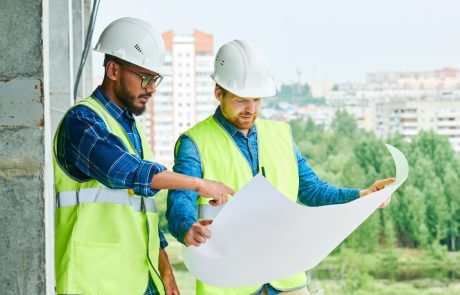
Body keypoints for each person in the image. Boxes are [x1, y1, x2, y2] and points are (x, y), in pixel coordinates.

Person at [166, 40, 394, 295]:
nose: (251, 109)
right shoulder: (194, 143)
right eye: (242, 99)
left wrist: (362, 196)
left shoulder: (281, 135)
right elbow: (180, 202)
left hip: (286, 281)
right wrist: (187, 227)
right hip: (230, 282)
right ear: (219, 92)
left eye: (256, 99)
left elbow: (312, 190)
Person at [53, 17, 234, 295]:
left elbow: (144, 214)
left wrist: (165, 272)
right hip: (94, 283)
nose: (152, 88)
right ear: (113, 69)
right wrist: (199, 184)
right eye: (145, 78)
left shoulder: (131, 129)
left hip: (139, 279)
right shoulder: (81, 123)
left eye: (156, 79)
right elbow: (122, 172)